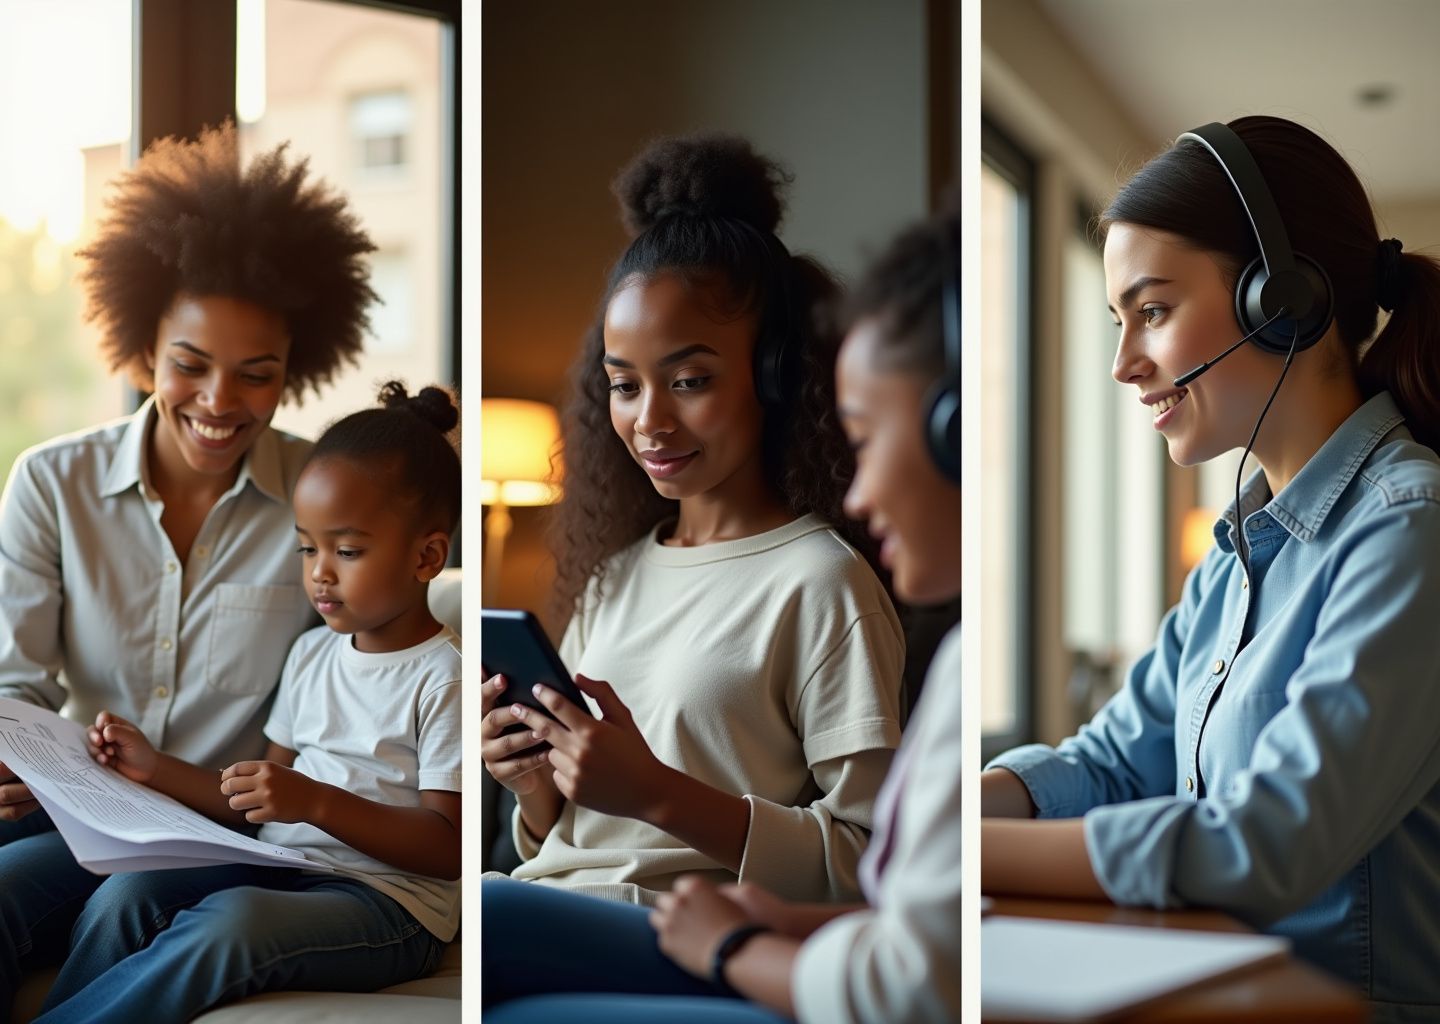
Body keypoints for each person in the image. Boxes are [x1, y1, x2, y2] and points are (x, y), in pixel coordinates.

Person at [981, 115, 1440, 1020]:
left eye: (1150, 311)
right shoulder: (1232, 562)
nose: (1123, 363)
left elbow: (1262, 847)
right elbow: (1115, 764)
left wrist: (958, 853)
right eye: (1119, 320)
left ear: (1284, 300)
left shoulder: (1411, 530)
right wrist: (975, 804)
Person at [482, 209, 963, 1024]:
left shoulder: (822, 583)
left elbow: (869, 862)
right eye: (626, 385)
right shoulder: (612, 578)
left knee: (486, 920)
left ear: (772, 378)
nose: (651, 421)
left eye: (690, 380)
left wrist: (660, 795)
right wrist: (536, 789)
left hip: (680, 935)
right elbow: (568, 842)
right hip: (554, 909)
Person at [0, 122, 375, 1011]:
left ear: (295, 369)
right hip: (86, 815)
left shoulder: (323, 501)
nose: (219, 402)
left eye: (256, 374)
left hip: (234, 830)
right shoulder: (52, 481)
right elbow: (14, 681)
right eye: (190, 365)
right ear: (141, 350)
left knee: (122, 903)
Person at [33, 382, 462, 1023]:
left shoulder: (444, 676)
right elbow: (252, 802)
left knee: (231, 921)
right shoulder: (312, 654)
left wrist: (313, 801)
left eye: (347, 551)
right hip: (284, 867)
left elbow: (448, 846)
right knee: (126, 895)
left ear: (427, 555)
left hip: (390, 905)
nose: (320, 571)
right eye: (307, 547)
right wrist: (152, 767)